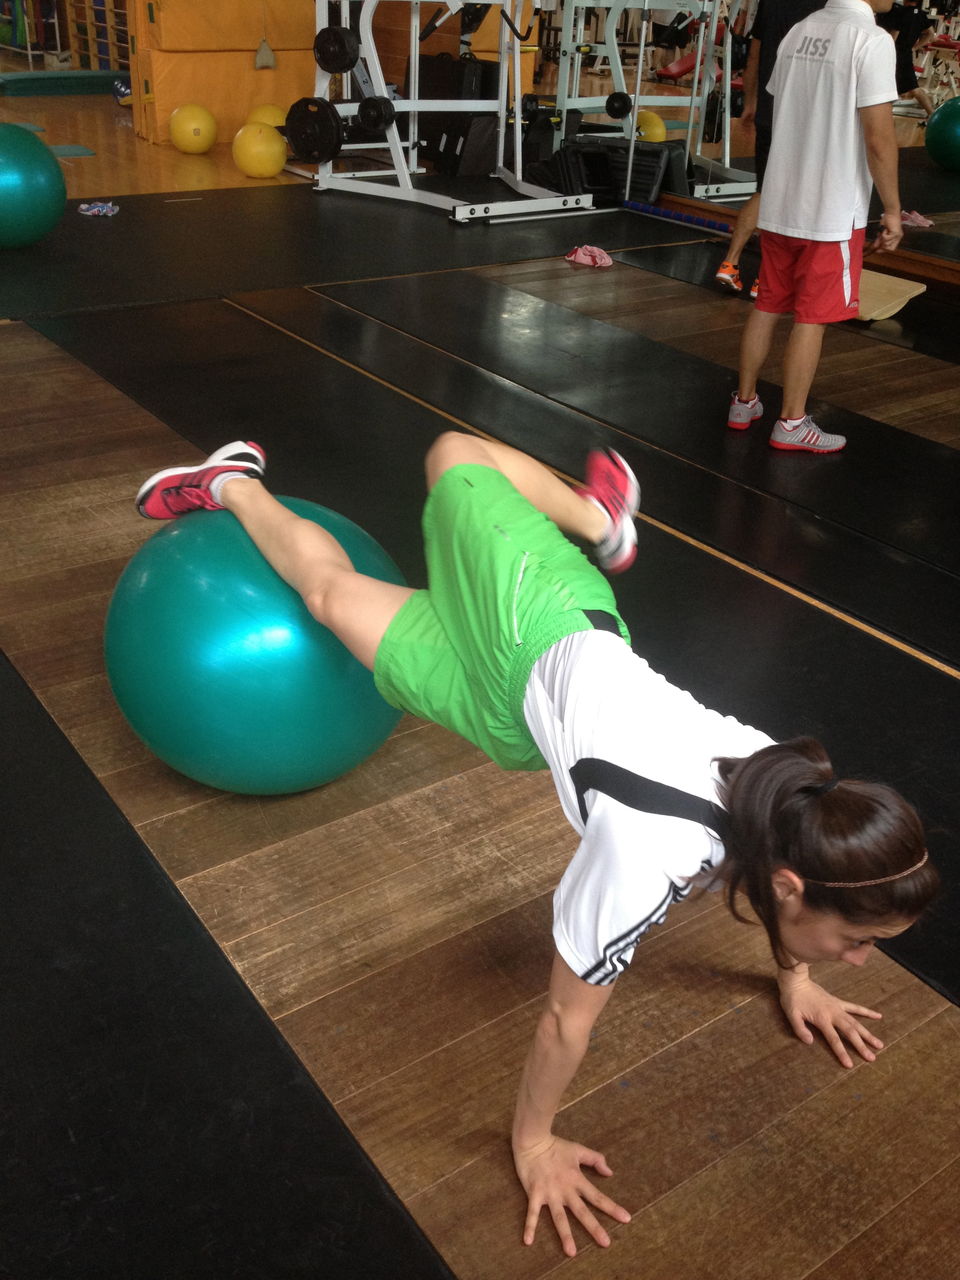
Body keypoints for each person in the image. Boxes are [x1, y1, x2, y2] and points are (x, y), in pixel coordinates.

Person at [135, 435, 939, 1257]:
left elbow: (790, 879)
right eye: (859, 939)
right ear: (795, 887)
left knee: (328, 596)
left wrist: (797, 974)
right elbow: (562, 1020)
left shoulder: (786, 812)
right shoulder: (658, 848)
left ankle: (230, 480)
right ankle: (599, 519)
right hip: (537, 612)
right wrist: (534, 1143)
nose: (861, 959)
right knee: (450, 452)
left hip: (518, 718)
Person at [727, 0, 904, 452]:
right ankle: (791, 423)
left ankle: (743, 403)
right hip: (830, 211)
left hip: (781, 201)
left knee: (767, 304)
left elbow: (784, 103)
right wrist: (892, 209)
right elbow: (879, 137)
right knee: (813, 318)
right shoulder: (872, 40)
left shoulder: (801, 30)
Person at [715, 0, 828, 299]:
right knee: (789, 198)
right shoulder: (828, 5)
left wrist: (751, 101)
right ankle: (764, 277)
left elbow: (755, 53)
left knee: (765, 190)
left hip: (769, 108)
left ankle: (731, 262)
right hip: (802, 114)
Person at [877, 0, 938, 118]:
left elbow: (893, 38)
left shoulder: (900, 13)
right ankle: (931, 114)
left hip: (896, 55)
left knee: (912, 88)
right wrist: (915, 47)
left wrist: (882, 53)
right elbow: (931, 33)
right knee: (906, 88)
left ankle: (932, 115)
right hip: (906, 54)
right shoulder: (921, 14)